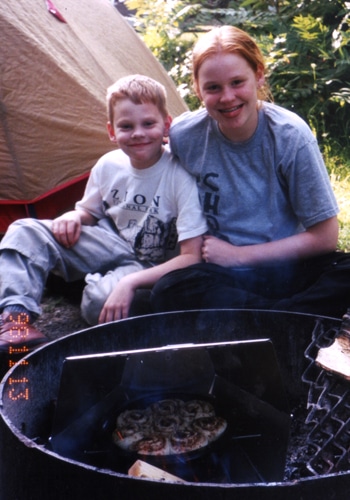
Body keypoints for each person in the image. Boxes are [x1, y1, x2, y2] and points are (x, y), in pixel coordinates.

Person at [151, 25, 350, 319]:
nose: (228, 97)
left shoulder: (289, 136)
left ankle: (267, 319)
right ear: (197, 88)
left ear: (258, 75)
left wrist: (239, 256)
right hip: (222, 276)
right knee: (170, 289)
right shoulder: (185, 136)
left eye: (237, 82)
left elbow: (325, 236)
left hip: (287, 268)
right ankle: (292, 319)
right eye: (213, 87)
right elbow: (144, 171)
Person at [0, 74, 207, 352]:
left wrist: (129, 283)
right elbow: (88, 211)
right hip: (112, 242)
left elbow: (191, 257)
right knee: (24, 230)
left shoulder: (180, 175)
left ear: (166, 124)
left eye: (148, 123)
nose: (137, 133)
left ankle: (108, 292)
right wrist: (74, 216)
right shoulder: (109, 164)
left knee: (99, 304)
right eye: (126, 126)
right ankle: (15, 320)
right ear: (111, 131)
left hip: (151, 264)